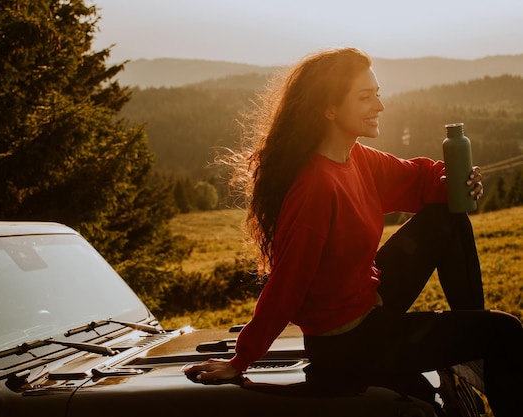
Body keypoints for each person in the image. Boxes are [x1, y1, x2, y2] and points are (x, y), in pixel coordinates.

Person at [183, 47, 523, 416]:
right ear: (329, 108)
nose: (379, 106)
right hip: (348, 345)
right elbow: (287, 284)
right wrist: (241, 359)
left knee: (448, 216)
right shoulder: (316, 187)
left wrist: (455, 182)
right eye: (365, 97)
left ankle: (470, 350)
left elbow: (418, 179)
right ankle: (477, 348)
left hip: (367, 296)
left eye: (377, 93)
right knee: (505, 331)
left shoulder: (355, 157)